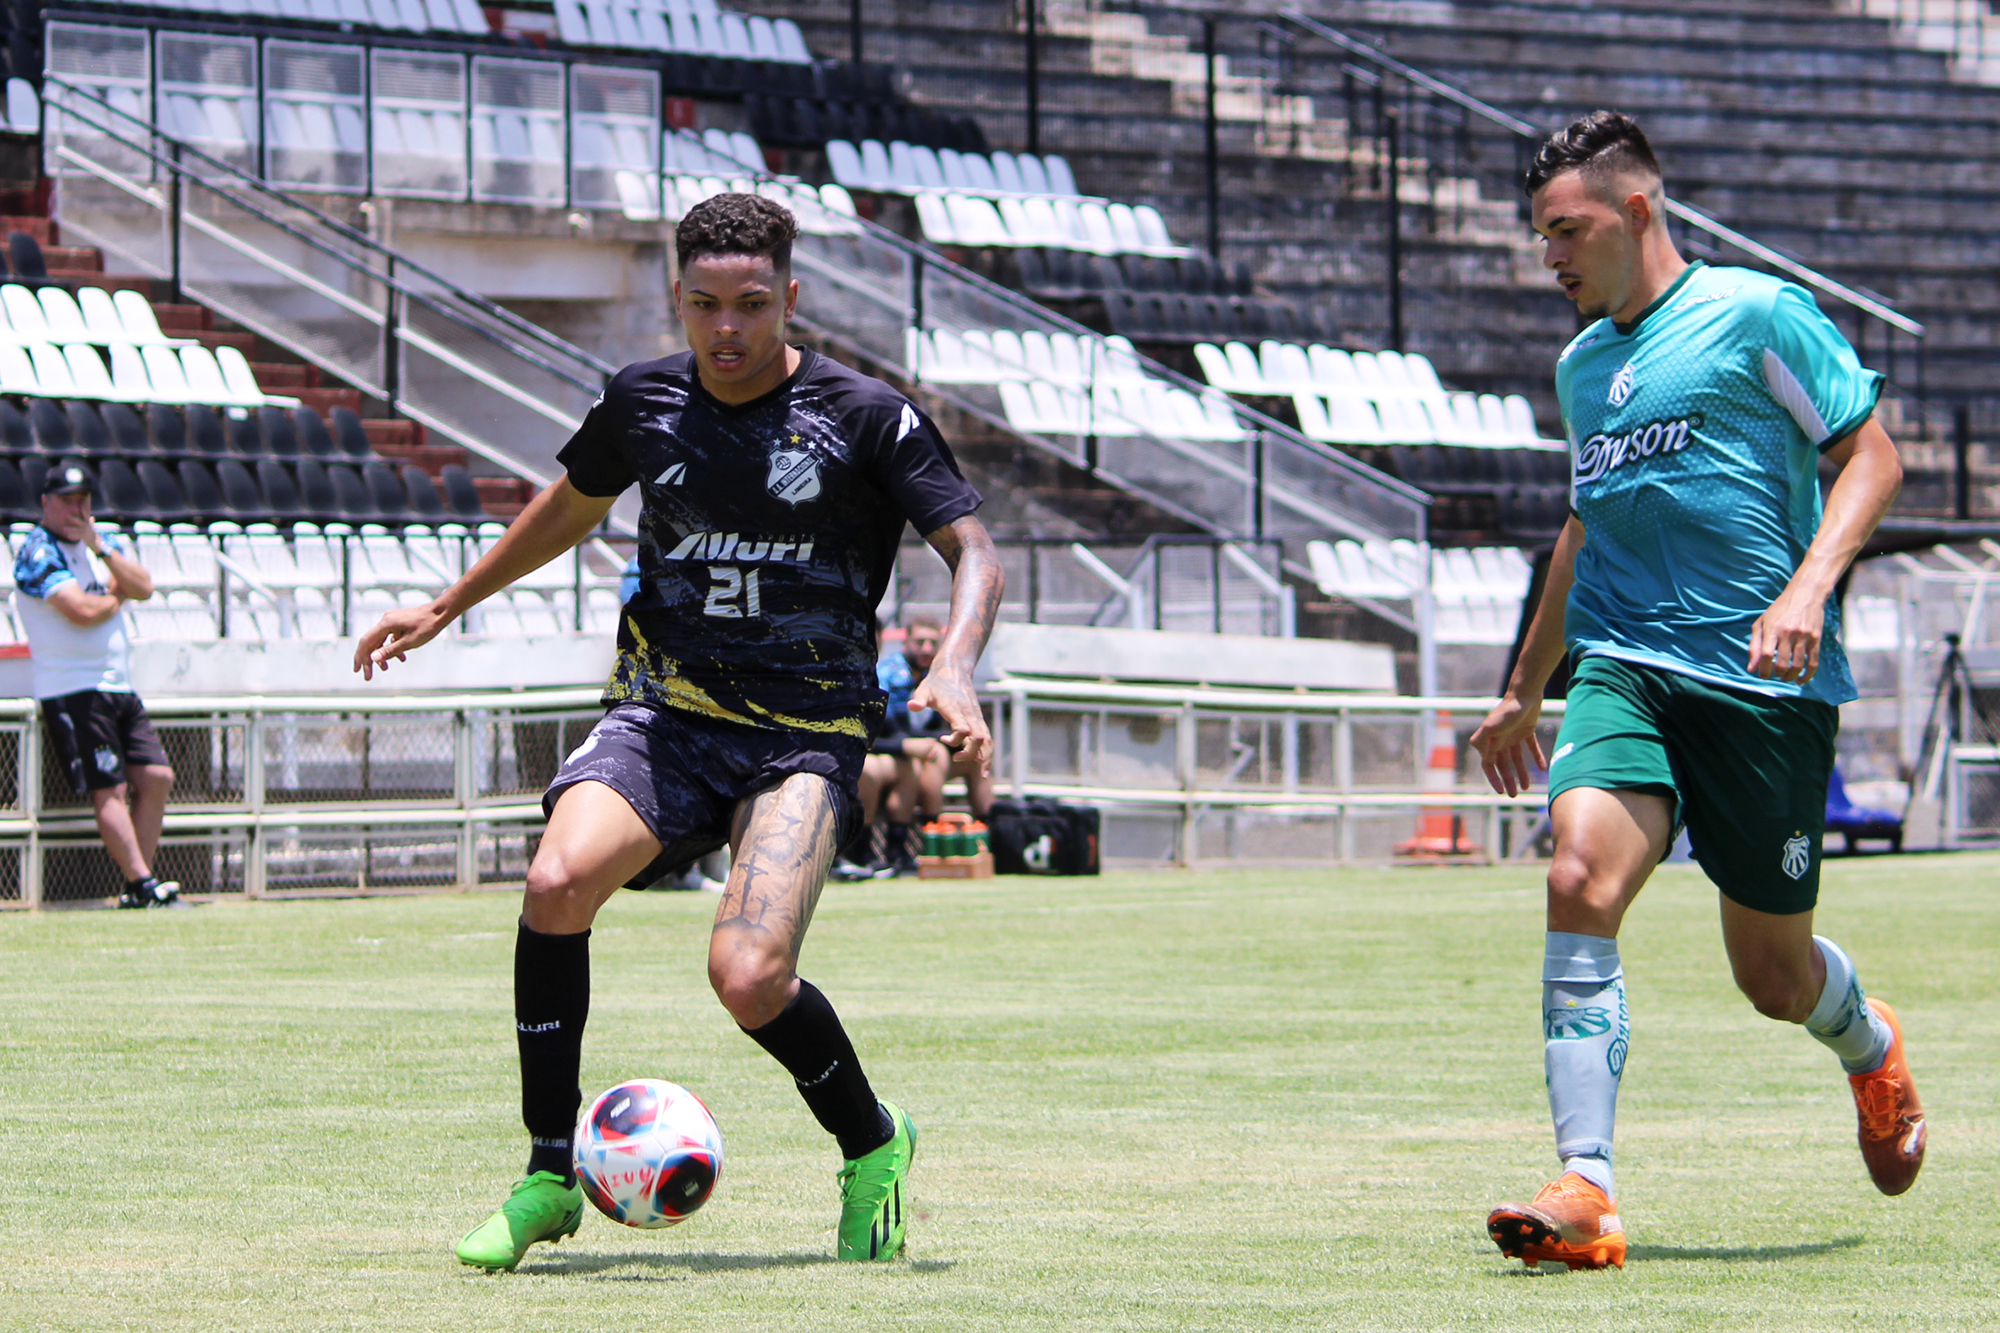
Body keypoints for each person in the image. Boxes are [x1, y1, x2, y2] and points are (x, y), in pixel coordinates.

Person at [353, 193, 1003, 1271]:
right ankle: (550, 1174)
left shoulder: (866, 415)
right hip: (666, 712)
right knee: (556, 882)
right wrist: (447, 603)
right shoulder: (642, 399)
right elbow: (571, 504)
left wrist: (952, 664)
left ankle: (872, 1143)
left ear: (788, 299)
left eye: (751, 304)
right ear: (678, 300)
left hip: (804, 730)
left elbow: (972, 549)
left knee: (747, 974)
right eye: (703, 305)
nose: (727, 329)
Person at [1469, 112, 1922, 1273]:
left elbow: (1872, 455)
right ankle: (1588, 1187)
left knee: (1772, 978)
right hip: (1626, 666)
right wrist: (1524, 691)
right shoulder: (1580, 367)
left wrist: (1808, 589)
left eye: (1565, 231)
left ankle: (1867, 1045)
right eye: (1537, 239)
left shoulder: (1754, 314)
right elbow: (1583, 525)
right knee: (1577, 875)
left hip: (1764, 683)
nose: (1550, 258)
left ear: (1634, 212)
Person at [14, 463, 179, 909]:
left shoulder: (100, 543)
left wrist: (101, 549)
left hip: (119, 684)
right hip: (74, 688)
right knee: (112, 789)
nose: (78, 508)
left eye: (83, 499)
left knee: (157, 776)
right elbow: (81, 611)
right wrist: (115, 595)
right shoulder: (37, 549)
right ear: (46, 503)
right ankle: (144, 884)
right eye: (67, 500)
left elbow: (143, 587)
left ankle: (137, 887)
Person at [880, 613, 994, 822]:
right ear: (905, 642)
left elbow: (935, 730)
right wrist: (934, 740)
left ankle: (988, 832)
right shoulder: (888, 674)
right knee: (937, 753)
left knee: (977, 758)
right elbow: (888, 730)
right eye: (920, 642)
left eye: (933, 643)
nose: (927, 649)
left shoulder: (933, 676)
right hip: (891, 753)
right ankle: (930, 831)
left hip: (922, 753)